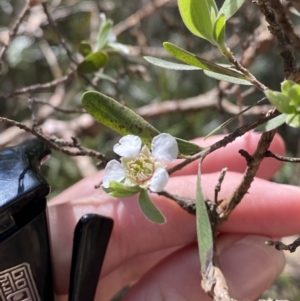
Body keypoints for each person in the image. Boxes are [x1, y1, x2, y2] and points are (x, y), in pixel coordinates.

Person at [48, 132, 300, 301]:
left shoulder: (157, 165)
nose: (139, 167)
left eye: (142, 164)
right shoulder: (133, 177)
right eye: (134, 167)